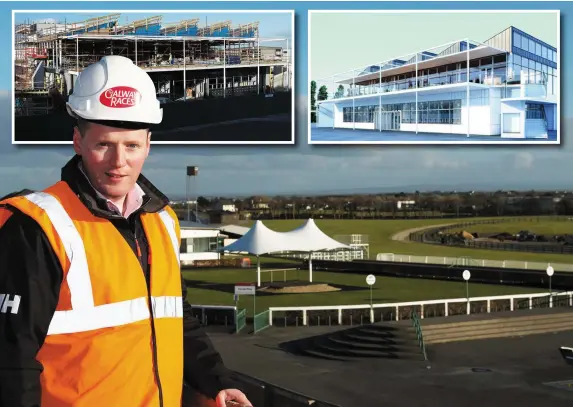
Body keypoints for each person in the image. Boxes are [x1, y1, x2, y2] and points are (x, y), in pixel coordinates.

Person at [0, 55, 252, 407]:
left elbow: (176, 316)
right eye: (104, 144)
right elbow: (11, 360)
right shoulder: (37, 227)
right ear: (78, 142)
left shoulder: (162, 220)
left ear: (148, 145)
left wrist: (215, 382)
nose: (119, 162)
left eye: (131, 146)